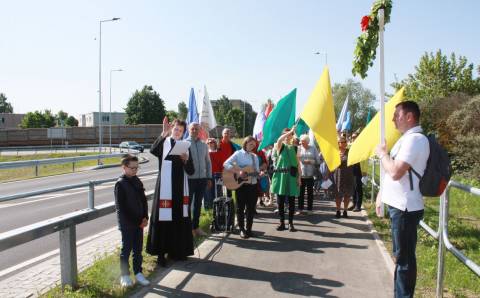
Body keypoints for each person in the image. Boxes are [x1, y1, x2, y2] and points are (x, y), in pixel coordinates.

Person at [375, 101, 429, 298]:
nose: (392, 120)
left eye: (396, 115)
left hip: (405, 207)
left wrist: (382, 154)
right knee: (401, 257)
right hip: (399, 205)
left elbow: (396, 171)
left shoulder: (414, 139)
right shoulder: (406, 139)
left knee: (404, 260)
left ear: (409, 117)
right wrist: (382, 195)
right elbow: (393, 174)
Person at [146, 118, 195, 267]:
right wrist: (163, 134)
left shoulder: (185, 147)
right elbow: (153, 151)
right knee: (164, 220)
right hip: (165, 190)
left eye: (180, 130)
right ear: (171, 129)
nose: (178, 132)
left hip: (180, 189)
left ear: (183, 132)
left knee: (178, 219)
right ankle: (161, 254)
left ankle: (177, 251)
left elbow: (191, 171)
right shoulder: (164, 142)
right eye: (175, 129)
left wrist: (186, 160)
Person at [114, 154, 150, 287]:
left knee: (138, 249)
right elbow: (121, 208)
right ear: (124, 167)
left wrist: (145, 217)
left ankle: (138, 272)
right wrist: (136, 221)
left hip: (139, 222)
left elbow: (143, 200)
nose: (135, 170)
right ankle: (124, 275)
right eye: (132, 168)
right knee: (126, 249)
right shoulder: (120, 184)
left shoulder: (137, 180)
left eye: (137, 168)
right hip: (127, 224)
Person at [223, 136, 260, 239]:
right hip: (241, 186)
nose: (252, 146)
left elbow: (256, 171)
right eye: (250, 144)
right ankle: (242, 230)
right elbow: (226, 164)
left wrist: (259, 174)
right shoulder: (238, 154)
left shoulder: (255, 157)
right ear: (245, 143)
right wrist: (238, 171)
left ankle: (249, 230)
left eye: (254, 145)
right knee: (240, 208)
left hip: (252, 185)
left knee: (251, 209)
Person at [270, 128, 301, 232]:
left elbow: (298, 165)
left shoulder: (296, 148)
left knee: (292, 201)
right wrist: (289, 132)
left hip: (292, 176)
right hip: (281, 176)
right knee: (281, 202)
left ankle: (291, 223)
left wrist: (299, 178)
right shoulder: (280, 146)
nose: (288, 137)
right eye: (286, 135)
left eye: (290, 135)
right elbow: (279, 140)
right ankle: (282, 222)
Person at [186, 123, 212, 237]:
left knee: (198, 204)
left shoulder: (204, 145)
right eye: (192, 129)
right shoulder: (184, 144)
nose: (195, 130)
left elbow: (208, 162)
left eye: (197, 129)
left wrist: (209, 177)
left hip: (202, 179)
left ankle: (196, 228)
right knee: (187, 206)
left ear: (200, 130)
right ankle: (187, 228)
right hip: (189, 179)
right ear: (189, 130)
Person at [297, 134, 320, 214]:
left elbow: (318, 160)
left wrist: (311, 161)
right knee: (300, 193)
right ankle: (300, 209)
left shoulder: (313, 149)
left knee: (310, 193)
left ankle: (309, 209)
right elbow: (296, 159)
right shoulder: (299, 148)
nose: (301, 143)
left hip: (311, 174)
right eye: (301, 142)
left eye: (303, 142)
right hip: (301, 174)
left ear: (307, 142)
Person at [333, 135, 354, 218]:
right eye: (340, 142)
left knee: (347, 195)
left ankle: (345, 210)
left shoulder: (350, 152)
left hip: (348, 176)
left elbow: (354, 162)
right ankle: (338, 210)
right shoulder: (335, 152)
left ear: (346, 143)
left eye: (343, 142)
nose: (341, 143)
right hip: (338, 176)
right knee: (338, 195)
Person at [217, 128, 240, 197]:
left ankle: (229, 204)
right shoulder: (218, 145)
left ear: (230, 135)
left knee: (229, 189)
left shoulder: (233, 145)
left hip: (229, 169)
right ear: (222, 134)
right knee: (219, 189)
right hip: (219, 169)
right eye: (225, 133)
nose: (226, 135)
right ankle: (220, 205)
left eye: (228, 133)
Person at [349, 132, 364, 212]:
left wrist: (365, 171)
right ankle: (354, 204)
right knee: (353, 188)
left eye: (355, 137)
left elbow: (365, 159)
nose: (354, 138)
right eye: (352, 137)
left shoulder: (362, 146)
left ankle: (358, 205)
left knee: (358, 188)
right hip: (352, 169)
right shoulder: (351, 146)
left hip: (359, 169)